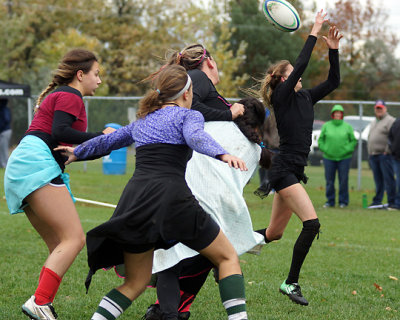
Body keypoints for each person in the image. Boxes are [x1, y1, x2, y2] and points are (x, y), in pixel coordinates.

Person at [56, 65, 250, 320]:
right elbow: (195, 137)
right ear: (186, 94)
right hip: (172, 197)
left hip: (135, 199)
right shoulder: (188, 116)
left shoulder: (143, 121)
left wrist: (76, 153)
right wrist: (222, 153)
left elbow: (108, 141)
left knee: (136, 282)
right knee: (227, 258)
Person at [4, 49, 114, 320]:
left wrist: (106, 142)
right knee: (74, 239)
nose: (99, 80)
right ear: (80, 75)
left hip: (25, 162)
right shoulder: (70, 95)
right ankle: (40, 303)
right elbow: (62, 132)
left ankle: (43, 303)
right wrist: (101, 135)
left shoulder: (63, 95)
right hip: (34, 162)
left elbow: (68, 145)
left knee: (58, 245)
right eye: (96, 74)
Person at [144, 97, 271, 320]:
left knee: (169, 259)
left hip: (185, 200)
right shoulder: (256, 151)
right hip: (224, 213)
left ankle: (166, 312)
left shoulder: (208, 125)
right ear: (258, 125)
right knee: (217, 258)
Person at [255, 10, 342, 306]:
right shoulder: (282, 98)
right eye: (292, 72)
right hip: (283, 171)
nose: (299, 74)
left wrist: (334, 51)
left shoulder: (305, 97)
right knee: (312, 224)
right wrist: (314, 30)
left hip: (292, 170)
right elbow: (302, 62)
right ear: (282, 78)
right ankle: (290, 283)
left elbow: (334, 81)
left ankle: (218, 248)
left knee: (273, 233)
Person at [157, 43, 245, 121]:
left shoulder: (196, 79)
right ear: (209, 61)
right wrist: (229, 114)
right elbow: (190, 105)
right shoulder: (199, 76)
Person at [318, 104, 357, 208]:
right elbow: (320, 140)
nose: (338, 114)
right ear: (332, 114)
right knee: (329, 181)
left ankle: (343, 201)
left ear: (342, 114)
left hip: (344, 158)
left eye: (340, 113)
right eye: (336, 113)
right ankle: (330, 201)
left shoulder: (347, 126)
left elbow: (353, 140)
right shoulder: (326, 126)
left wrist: (347, 150)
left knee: (343, 180)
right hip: (328, 158)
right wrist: (325, 149)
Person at [367, 100, 396, 209]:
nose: (378, 110)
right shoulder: (374, 121)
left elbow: (393, 137)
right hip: (373, 155)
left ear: (385, 109)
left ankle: (392, 201)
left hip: (385, 156)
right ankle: (377, 200)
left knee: (388, 179)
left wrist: (387, 150)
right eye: (377, 108)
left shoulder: (390, 121)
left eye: (380, 108)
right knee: (378, 180)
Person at [389, 117, 400, 209]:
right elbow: (390, 137)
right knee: (398, 181)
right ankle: (397, 203)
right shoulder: (396, 122)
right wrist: (392, 149)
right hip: (396, 157)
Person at [0, 98, 12, 168]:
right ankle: (2, 165)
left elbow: (7, 120)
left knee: (4, 149)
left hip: (5, 131)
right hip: (3, 131)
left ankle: (5, 165)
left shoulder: (4, 109)